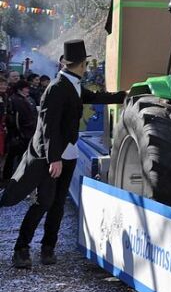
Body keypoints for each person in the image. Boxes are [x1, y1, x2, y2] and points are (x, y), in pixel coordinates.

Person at [0, 40, 125, 268]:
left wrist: (124, 95)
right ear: (82, 64)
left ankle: (48, 249)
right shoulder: (57, 87)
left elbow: (94, 98)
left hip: (68, 153)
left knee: (57, 205)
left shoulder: (73, 84)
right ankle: (21, 249)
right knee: (43, 203)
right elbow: (48, 126)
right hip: (51, 157)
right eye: (86, 63)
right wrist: (54, 158)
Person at [4, 79, 37, 182]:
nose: (28, 90)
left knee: (14, 157)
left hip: (21, 134)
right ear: (20, 89)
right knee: (16, 158)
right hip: (21, 135)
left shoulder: (21, 99)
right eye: (26, 88)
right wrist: (22, 133)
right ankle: (12, 180)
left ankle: (10, 179)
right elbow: (18, 120)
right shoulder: (18, 100)